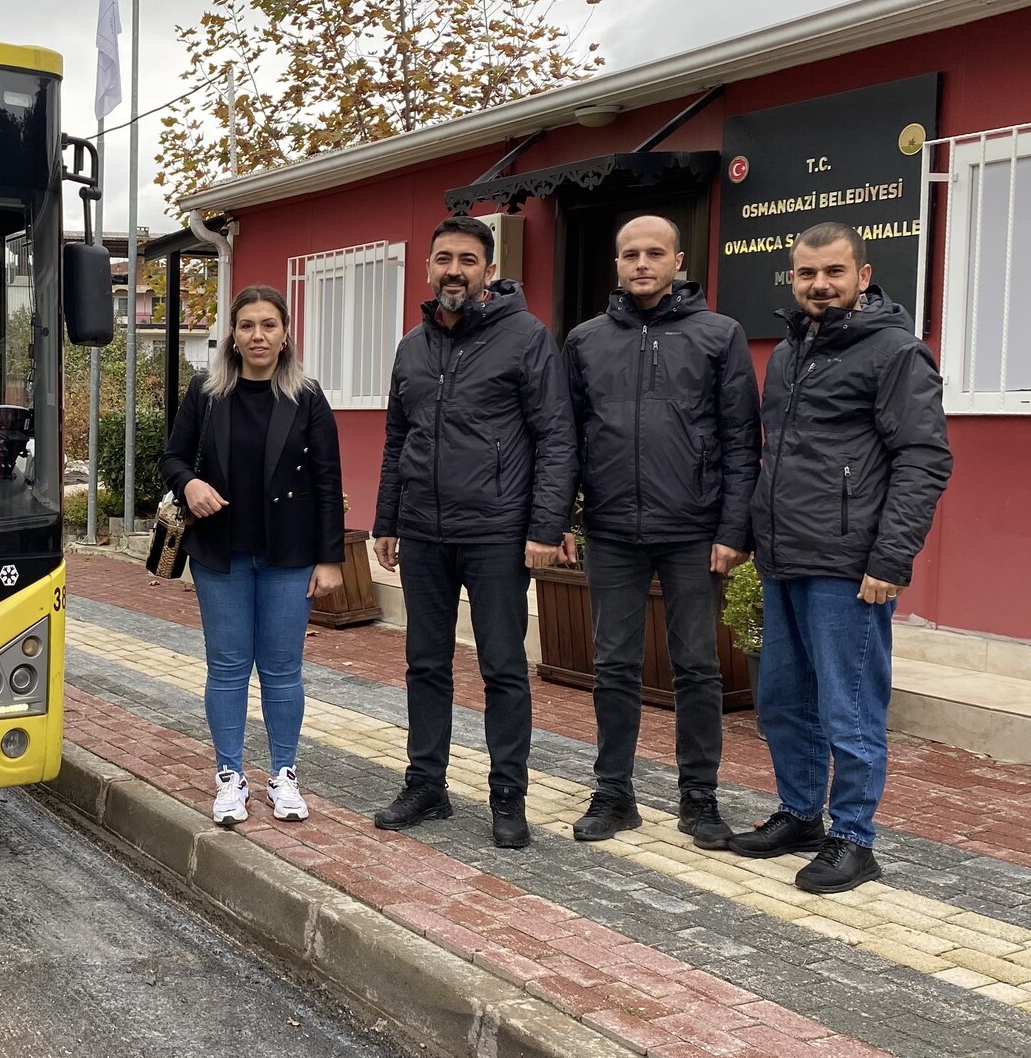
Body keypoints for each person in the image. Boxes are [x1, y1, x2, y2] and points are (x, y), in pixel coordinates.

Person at [727, 222, 952, 894]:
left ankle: (855, 837)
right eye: (806, 274)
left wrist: (890, 557)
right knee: (782, 699)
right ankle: (800, 814)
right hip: (783, 559)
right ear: (793, 281)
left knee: (849, 706)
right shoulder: (793, 352)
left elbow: (924, 458)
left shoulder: (895, 352)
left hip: (850, 566)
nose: (819, 284)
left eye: (833, 271)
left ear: (863, 273)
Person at [372, 216, 576, 849]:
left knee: (503, 667)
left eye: (466, 259)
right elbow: (397, 439)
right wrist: (386, 519)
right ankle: (426, 784)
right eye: (442, 259)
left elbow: (556, 437)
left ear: (489, 270)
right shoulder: (412, 345)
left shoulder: (528, 338)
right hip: (424, 533)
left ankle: (507, 795)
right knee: (425, 663)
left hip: (495, 532)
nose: (453, 269)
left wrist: (547, 525)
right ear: (428, 269)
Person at [561, 215, 760, 850]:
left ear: (679, 260)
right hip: (613, 528)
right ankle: (613, 793)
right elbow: (566, 438)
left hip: (693, 529)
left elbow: (740, 440)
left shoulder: (718, 336)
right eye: (629, 254)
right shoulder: (585, 341)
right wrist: (563, 517)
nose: (641, 263)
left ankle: (699, 798)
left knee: (697, 666)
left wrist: (734, 529)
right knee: (613, 664)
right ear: (615, 265)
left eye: (654, 253)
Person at [160, 285, 346, 827]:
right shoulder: (206, 392)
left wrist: (330, 558)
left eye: (268, 325)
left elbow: (328, 479)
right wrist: (189, 483)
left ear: (285, 334)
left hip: (289, 555)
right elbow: (172, 457)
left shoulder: (306, 395)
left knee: (284, 670)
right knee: (227, 668)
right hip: (221, 553)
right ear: (232, 336)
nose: (258, 335)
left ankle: (283, 774)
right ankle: (229, 776)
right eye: (247, 326)